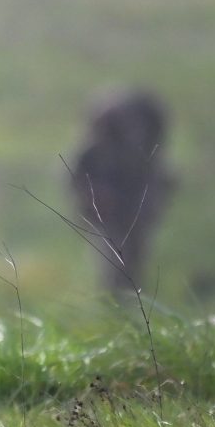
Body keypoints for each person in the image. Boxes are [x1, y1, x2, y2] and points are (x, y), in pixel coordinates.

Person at [68, 86, 176, 294]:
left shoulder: (142, 152)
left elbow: (156, 181)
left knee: (132, 257)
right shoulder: (92, 153)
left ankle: (126, 298)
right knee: (115, 260)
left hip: (134, 209)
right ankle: (119, 299)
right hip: (107, 214)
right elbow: (77, 181)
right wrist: (94, 197)